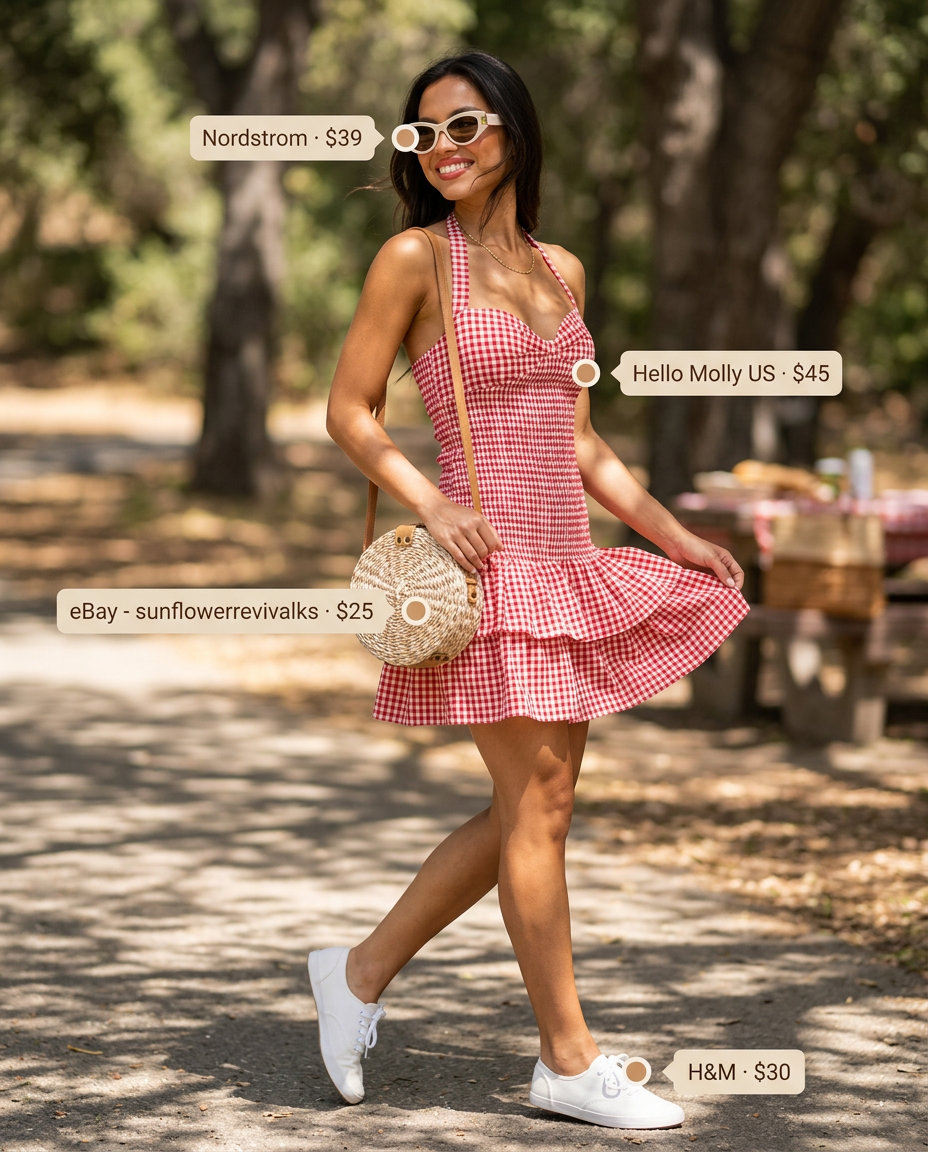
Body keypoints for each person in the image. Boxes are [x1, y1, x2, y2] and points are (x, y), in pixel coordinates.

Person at [313, 50, 749, 1131]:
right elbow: (350, 411)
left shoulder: (563, 272)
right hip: (483, 567)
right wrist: (433, 500)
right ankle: (566, 1059)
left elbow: (582, 443)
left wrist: (673, 535)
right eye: (421, 136)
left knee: (532, 806)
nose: (443, 151)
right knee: (541, 807)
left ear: (509, 128)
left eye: (463, 127)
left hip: (564, 563)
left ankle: (356, 972)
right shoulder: (413, 259)